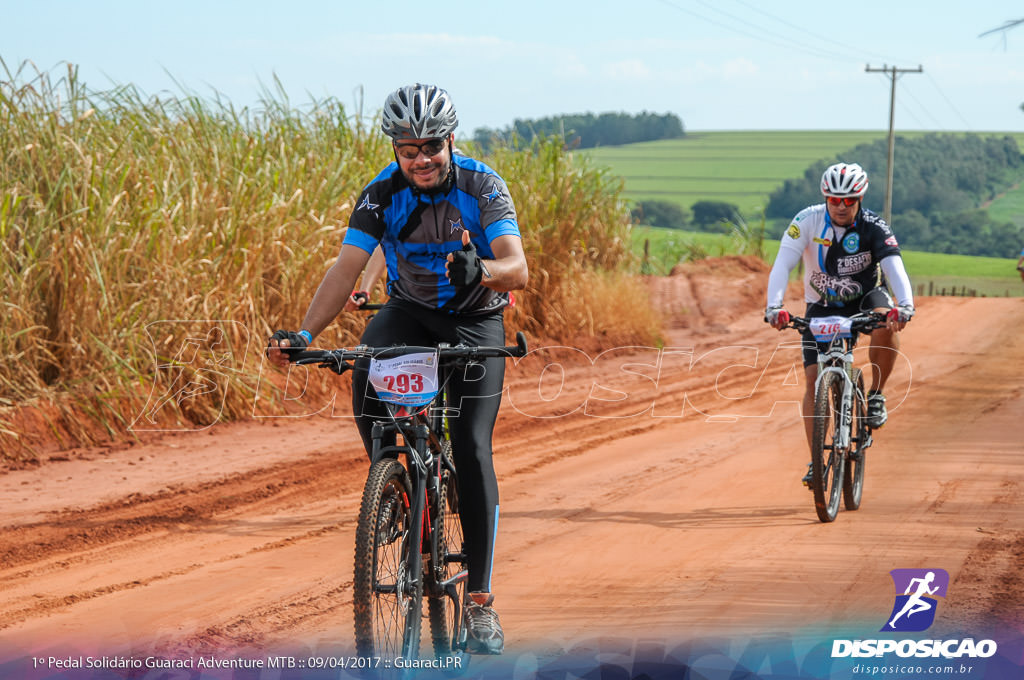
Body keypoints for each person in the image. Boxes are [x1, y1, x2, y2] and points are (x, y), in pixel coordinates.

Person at [266, 83, 528, 654]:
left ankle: (480, 603)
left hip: (474, 319)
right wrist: (305, 333)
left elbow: (517, 268)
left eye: (430, 146)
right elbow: (344, 270)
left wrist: (480, 269)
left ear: (449, 141)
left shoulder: (483, 185)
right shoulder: (381, 195)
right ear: (395, 151)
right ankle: (396, 485)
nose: (420, 159)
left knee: (473, 445)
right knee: (364, 373)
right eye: (407, 149)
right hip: (409, 313)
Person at [764, 162, 914, 486]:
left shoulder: (874, 226)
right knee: (813, 380)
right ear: (825, 197)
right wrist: (774, 306)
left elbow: (894, 267)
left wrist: (904, 306)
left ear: (860, 198)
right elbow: (783, 263)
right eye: (834, 199)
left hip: (866, 298)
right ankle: (817, 462)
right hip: (821, 305)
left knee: (886, 323)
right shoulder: (805, 221)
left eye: (848, 200)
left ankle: (876, 393)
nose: (841, 206)